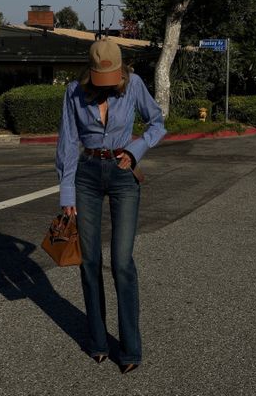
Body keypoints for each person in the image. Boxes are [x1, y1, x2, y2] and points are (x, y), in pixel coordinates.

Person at [56, 37, 167, 374]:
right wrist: (67, 195)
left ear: (120, 71)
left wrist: (136, 149)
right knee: (89, 261)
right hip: (86, 176)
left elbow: (157, 123)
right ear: (90, 73)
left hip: (123, 173)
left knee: (121, 262)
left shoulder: (133, 85)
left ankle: (131, 348)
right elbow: (68, 142)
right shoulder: (74, 91)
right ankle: (98, 341)